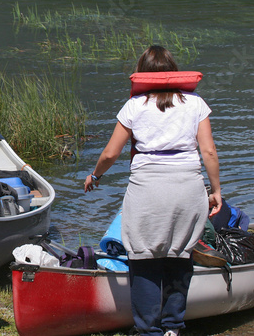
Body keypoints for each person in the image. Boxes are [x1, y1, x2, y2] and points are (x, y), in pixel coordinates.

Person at [84, 45, 222, 336]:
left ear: (142, 73)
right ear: (173, 71)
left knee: (145, 258)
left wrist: (95, 176)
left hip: (148, 189)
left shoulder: (134, 106)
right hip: (188, 186)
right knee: (180, 254)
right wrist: (216, 190)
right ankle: (173, 327)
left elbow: (111, 154)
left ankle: (149, 331)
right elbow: (208, 152)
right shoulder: (195, 103)